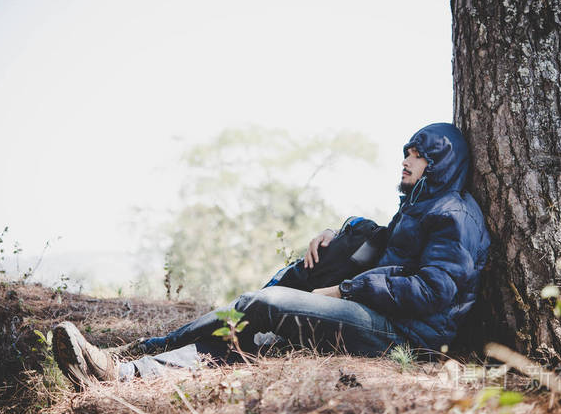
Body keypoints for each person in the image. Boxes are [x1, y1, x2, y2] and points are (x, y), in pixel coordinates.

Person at [53, 123, 490, 389]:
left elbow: (433, 291)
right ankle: (127, 366)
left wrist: (348, 288)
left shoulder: (455, 216)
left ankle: (135, 358)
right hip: (381, 317)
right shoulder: (420, 206)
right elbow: (388, 245)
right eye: (407, 152)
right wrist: (336, 234)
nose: (407, 160)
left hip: (409, 337)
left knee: (261, 306)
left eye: (419, 154)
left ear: (442, 163)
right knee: (252, 332)